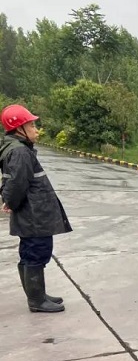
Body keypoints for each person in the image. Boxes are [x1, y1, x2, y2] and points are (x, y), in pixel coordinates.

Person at [1, 104, 72, 313]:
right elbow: (16, 183)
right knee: (36, 253)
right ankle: (37, 300)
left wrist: (8, 200)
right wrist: (10, 201)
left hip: (32, 214)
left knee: (30, 253)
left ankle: (37, 294)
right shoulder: (21, 152)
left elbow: (12, 182)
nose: (36, 130)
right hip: (34, 215)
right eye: (32, 125)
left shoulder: (17, 149)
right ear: (19, 128)